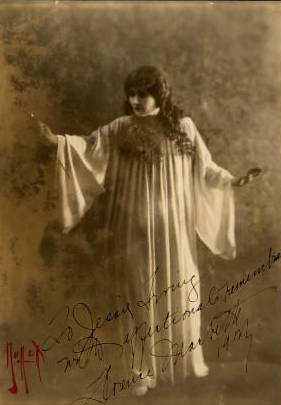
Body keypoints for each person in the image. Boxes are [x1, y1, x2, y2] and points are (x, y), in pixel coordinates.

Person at [31, 65, 260, 396]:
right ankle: (140, 372)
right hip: (134, 226)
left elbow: (205, 167)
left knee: (179, 286)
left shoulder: (183, 127)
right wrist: (56, 141)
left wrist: (233, 180)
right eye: (132, 93)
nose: (135, 99)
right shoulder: (121, 127)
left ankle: (181, 364)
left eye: (143, 93)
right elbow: (89, 147)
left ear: (159, 94)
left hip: (174, 227)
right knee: (138, 292)